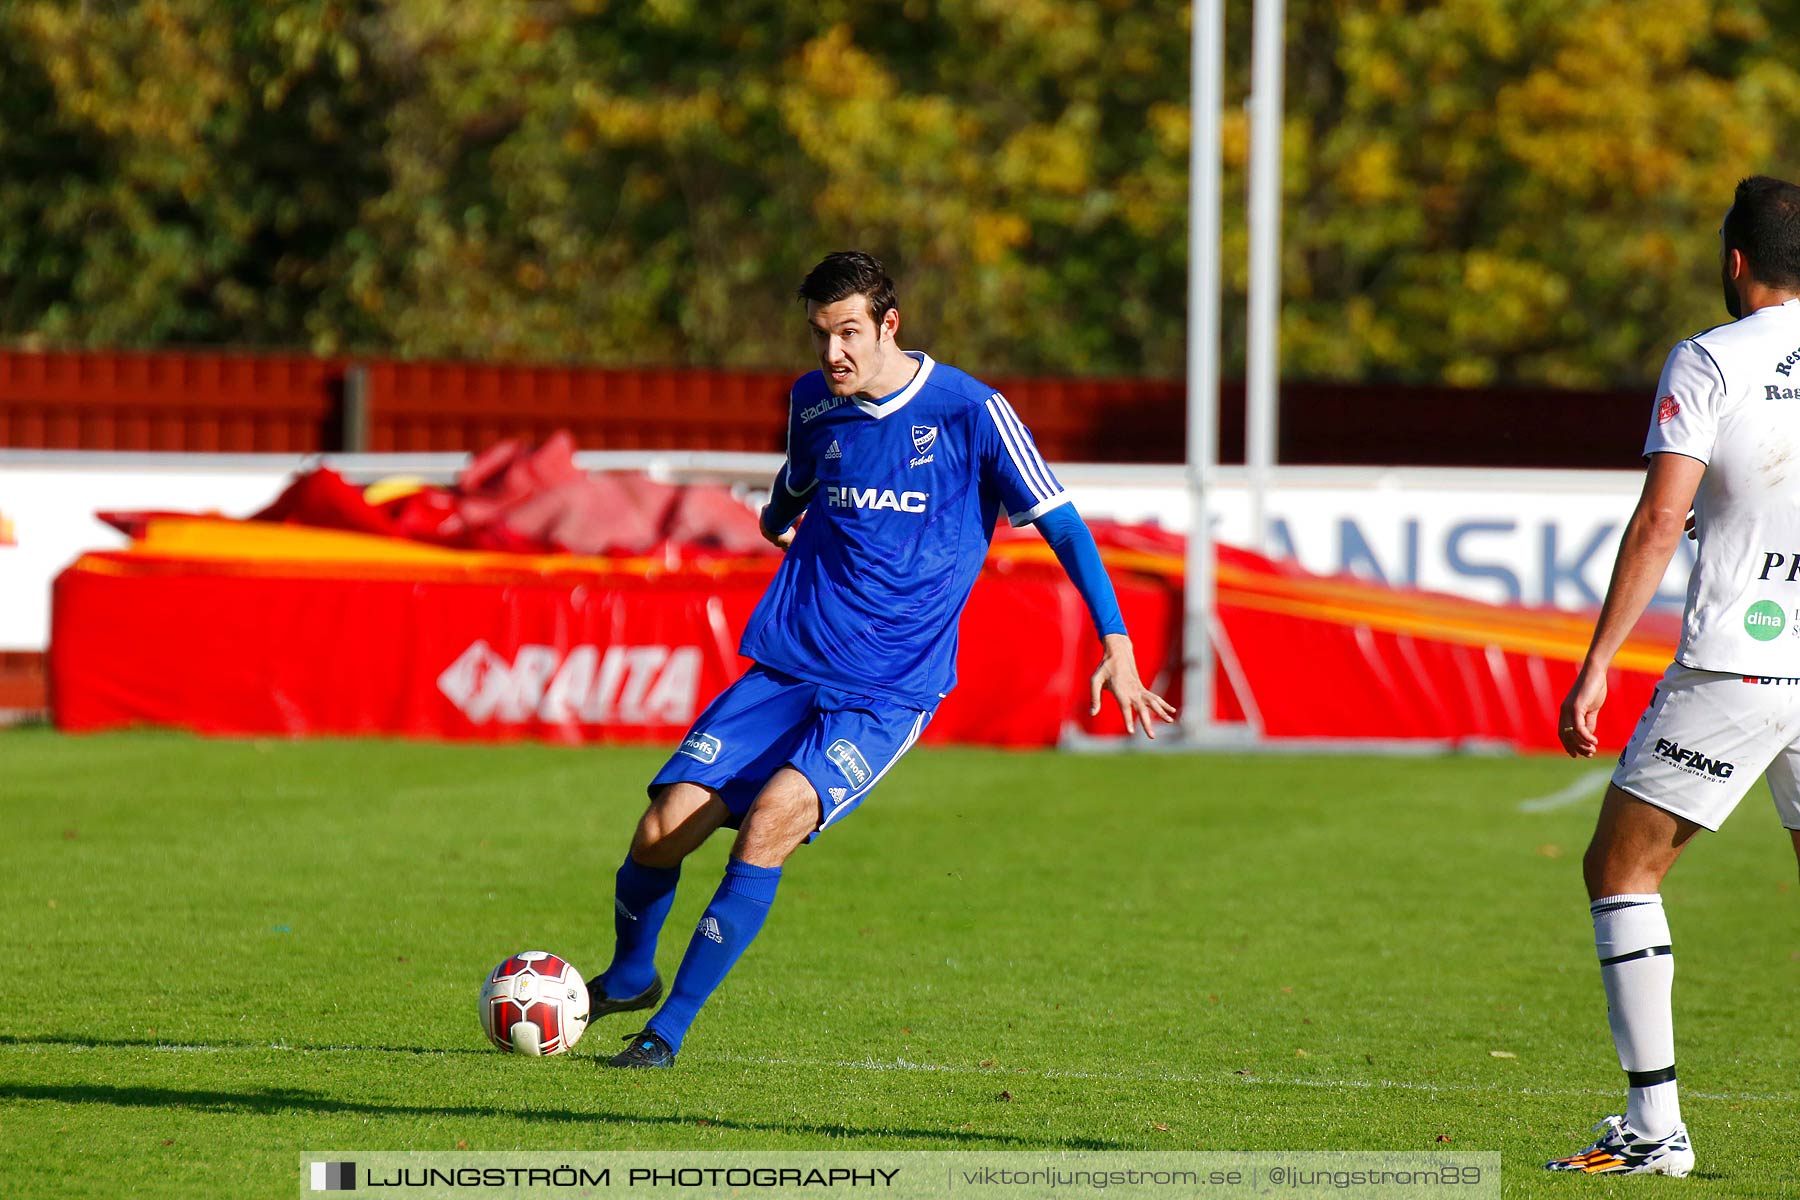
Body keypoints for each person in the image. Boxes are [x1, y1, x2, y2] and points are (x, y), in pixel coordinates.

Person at [586, 251, 1178, 1067]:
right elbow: (798, 481)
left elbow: (1065, 525)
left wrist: (1117, 642)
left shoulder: (973, 412)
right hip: (787, 665)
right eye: (823, 335)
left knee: (768, 825)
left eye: (850, 333)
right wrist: (774, 518)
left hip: (887, 692)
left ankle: (665, 1034)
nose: (834, 353)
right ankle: (628, 976)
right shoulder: (813, 402)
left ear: (888, 324)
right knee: (659, 831)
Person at [1550, 176, 1800, 1177]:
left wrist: (1599, 662)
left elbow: (1663, 519)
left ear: (1734, 262)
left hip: (1741, 663)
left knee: (1622, 870)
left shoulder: (1709, 357)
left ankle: (1655, 1130)